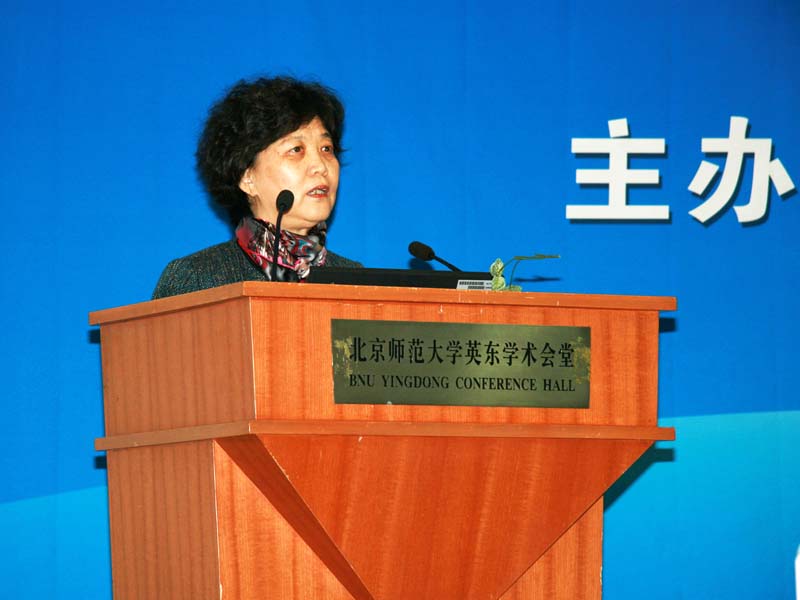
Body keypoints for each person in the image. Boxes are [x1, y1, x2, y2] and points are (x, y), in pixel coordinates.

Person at [152, 76, 361, 299]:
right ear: (247, 178)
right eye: (296, 149)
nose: (320, 166)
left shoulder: (357, 281)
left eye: (326, 148)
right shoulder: (197, 279)